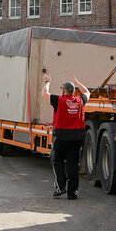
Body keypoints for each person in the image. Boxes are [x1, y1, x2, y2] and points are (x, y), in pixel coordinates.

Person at [41, 72, 90, 200]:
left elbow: (44, 93)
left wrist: (47, 82)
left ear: (64, 91)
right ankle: (72, 193)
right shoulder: (80, 100)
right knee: (73, 164)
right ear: (74, 91)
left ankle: (60, 187)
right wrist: (77, 82)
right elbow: (87, 92)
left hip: (61, 137)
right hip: (77, 138)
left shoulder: (59, 100)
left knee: (57, 161)